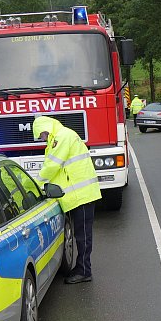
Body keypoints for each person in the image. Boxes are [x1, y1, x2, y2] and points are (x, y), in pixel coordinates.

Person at [33, 116, 102, 283]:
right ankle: (82, 268)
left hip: (82, 195)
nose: (42, 139)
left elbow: (52, 166)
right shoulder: (62, 136)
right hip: (79, 195)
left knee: (83, 235)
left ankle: (84, 271)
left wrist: (35, 185)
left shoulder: (61, 137)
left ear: (46, 129)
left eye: (41, 135)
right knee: (81, 234)